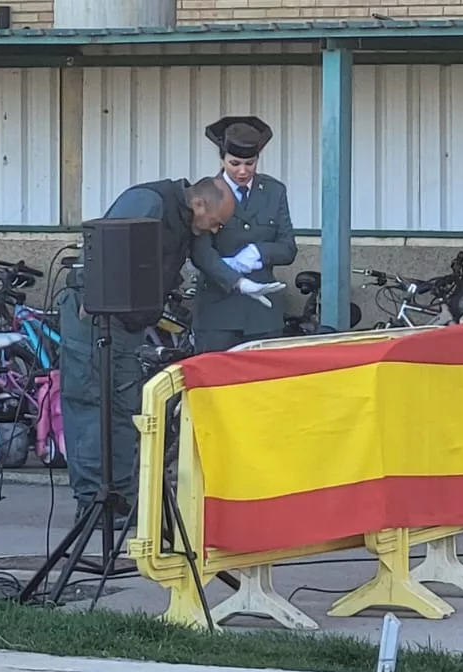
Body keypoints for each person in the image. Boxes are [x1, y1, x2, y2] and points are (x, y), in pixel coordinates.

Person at [59, 177, 236, 527]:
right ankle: (93, 500)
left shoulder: (184, 219)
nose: (217, 229)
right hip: (95, 317)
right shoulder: (149, 202)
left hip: (127, 323)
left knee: (124, 409)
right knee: (91, 407)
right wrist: (90, 298)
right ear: (200, 204)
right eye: (217, 221)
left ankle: (121, 496)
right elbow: (106, 247)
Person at [189, 116, 299, 353]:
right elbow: (200, 250)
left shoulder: (274, 191)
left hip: (263, 314)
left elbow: (288, 247)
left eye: (250, 163)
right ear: (222, 158)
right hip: (217, 313)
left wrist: (258, 252)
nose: (242, 171)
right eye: (234, 163)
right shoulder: (206, 190)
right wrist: (232, 276)